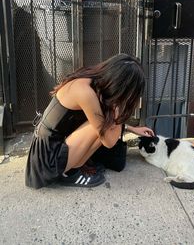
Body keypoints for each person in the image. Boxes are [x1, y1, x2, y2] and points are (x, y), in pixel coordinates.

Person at [25, 54, 154, 189]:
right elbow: (109, 141)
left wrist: (132, 129)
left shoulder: (94, 81)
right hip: (46, 161)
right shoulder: (85, 92)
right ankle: (69, 174)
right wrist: (120, 108)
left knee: (102, 123)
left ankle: (76, 166)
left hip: (54, 147)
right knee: (101, 126)